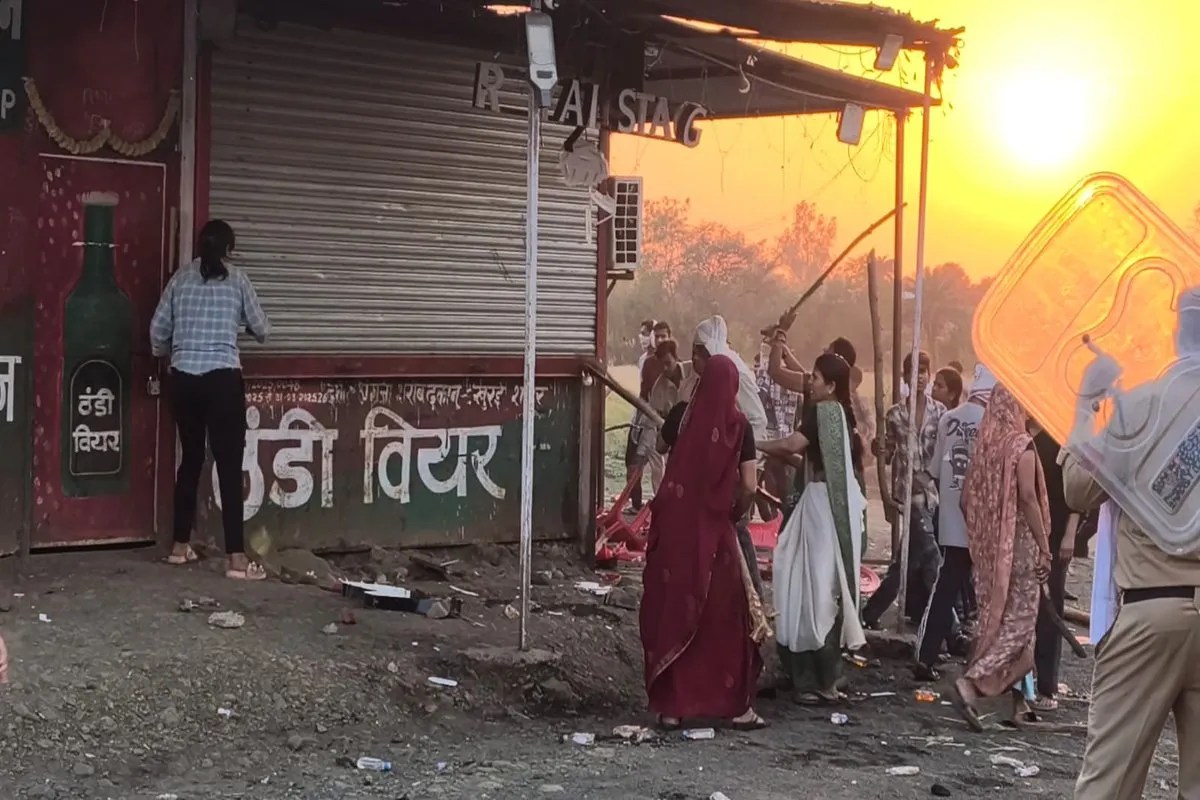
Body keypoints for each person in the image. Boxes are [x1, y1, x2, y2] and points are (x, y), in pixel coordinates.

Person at [1065, 287, 1200, 799]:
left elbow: (1079, 489)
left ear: (1175, 334)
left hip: (1152, 609)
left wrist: (1086, 403)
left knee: (1110, 784)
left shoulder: (1142, 403)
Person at [640, 355, 768, 731]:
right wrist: (735, 511)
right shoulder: (739, 425)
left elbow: (657, 450)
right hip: (716, 535)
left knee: (675, 607)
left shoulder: (681, 414)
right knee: (727, 617)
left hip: (677, 529)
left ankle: (672, 708)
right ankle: (736, 707)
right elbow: (748, 485)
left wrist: (667, 490)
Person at [150, 220, 270, 580]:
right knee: (229, 466)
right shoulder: (238, 280)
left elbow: (157, 332)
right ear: (229, 250)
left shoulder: (180, 279)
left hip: (184, 379)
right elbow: (263, 329)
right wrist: (241, 326)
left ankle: (179, 547)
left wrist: (171, 352)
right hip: (222, 381)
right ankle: (236, 559)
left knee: (190, 461)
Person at [759, 352, 867, 704]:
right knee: (831, 588)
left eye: (817, 378)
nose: (812, 383)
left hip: (823, 505)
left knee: (812, 590)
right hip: (843, 503)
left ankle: (814, 679)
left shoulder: (822, 413)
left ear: (832, 385)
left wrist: (754, 442)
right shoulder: (844, 414)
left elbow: (792, 446)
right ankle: (827, 678)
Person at [951, 384, 1052, 731]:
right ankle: (973, 682)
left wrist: (989, 535)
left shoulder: (985, 449)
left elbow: (966, 501)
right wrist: (1042, 544)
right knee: (1020, 622)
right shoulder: (1019, 447)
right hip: (1021, 550)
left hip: (991, 552)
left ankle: (1022, 702)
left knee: (1003, 621)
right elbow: (1027, 496)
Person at [914, 364, 996, 680]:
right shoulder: (994, 425)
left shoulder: (949, 418)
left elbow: (934, 471)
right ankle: (985, 664)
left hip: (950, 519)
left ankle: (926, 656)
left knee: (945, 588)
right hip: (985, 522)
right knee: (990, 594)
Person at [863, 351, 945, 628]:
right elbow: (885, 454)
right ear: (905, 376)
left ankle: (871, 612)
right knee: (933, 558)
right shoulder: (895, 414)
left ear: (929, 375)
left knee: (907, 561)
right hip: (908, 493)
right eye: (914, 370)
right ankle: (948, 625)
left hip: (932, 493)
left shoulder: (941, 413)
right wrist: (879, 447)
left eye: (924, 370)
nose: (919, 376)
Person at [1030, 423, 1074, 712]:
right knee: (1022, 610)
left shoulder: (1059, 437)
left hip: (1053, 534)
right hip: (1025, 535)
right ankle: (1021, 680)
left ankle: (1046, 684)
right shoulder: (1017, 435)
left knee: (1049, 609)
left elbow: (1076, 494)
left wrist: (1070, 534)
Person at [624, 320, 663, 511]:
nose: (643, 337)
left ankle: (663, 505)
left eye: (646, 333)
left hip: (657, 423)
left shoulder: (667, 363)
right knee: (634, 461)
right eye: (641, 333)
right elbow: (643, 392)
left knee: (654, 464)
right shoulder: (644, 361)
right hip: (643, 417)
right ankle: (637, 505)